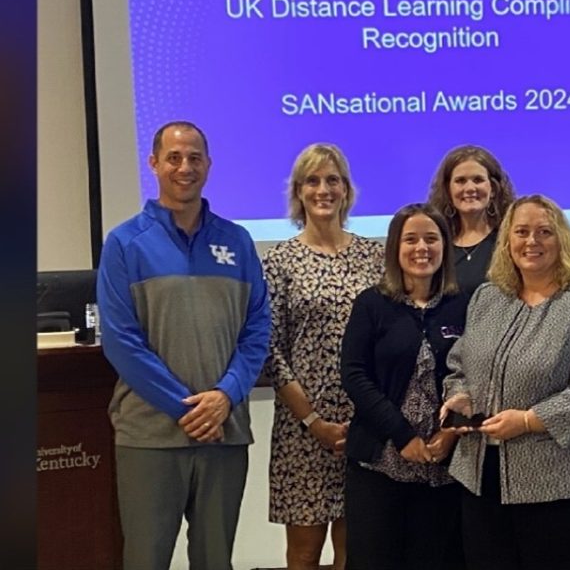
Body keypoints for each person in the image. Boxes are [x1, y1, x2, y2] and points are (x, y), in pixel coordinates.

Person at [97, 121, 271, 570]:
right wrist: (188, 409)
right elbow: (121, 342)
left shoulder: (237, 241)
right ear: (154, 164)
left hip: (224, 432)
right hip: (150, 436)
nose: (185, 167)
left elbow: (256, 330)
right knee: (145, 559)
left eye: (195, 157)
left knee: (216, 561)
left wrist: (226, 397)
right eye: (174, 157)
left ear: (208, 165)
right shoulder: (124, 243)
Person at [442, 194, 570, 570]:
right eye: (521, 232)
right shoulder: (488, 297)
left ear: (563, 241)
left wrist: (527, 420)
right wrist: (458, 396)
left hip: (561, 481)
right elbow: (459, 363)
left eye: (544, 232)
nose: (532, 242)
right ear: (507, 241)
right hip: (481, 473)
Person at [262, 143, 384, 570]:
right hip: (304, 428)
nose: (323, 189)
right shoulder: (280, 261)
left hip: (364, 422)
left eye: (333, 180)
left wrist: (373, 413)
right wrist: (313, 421)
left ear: (346, 190)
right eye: (312, 181)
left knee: (358, 549)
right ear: (298, 191)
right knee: (304, 552)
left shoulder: (375, 256)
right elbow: (269, 348)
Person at [340, 203, 469, 570]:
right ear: (396, 248)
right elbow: (354, 374)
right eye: (410, 239)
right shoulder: (372, 303)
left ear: (445, 247)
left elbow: (476, 376)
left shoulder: (464, 305)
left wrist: (451, 433)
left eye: (432, 239)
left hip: (444, 465)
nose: (421, 248)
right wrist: (402, 436)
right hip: (380, 463)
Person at [427, 144, 516, 294]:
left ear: (493, 189)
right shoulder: (437, 245)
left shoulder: (510, 242)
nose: (469, 188)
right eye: (460, 181)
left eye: (478, 180)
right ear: (448, 190)